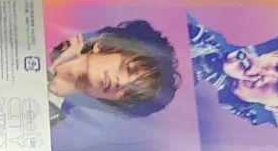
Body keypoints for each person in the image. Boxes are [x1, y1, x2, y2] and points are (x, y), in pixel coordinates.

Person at [187, 15, 278, 139]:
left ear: (276, 108)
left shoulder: (236, 130)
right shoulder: (217, 37)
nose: (266, 75)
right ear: (273, 54)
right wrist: (220, 55)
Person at [46, 20, 180, 124]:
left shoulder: (51, 117)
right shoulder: (53, 31)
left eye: (129, 92)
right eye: (127, 69)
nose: (120, 83)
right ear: (104, 46)